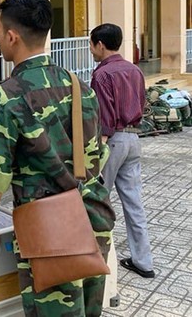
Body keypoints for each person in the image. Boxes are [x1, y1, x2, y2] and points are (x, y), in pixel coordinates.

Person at [0, 0, 115, 316]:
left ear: (11, 36)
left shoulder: (5, 98)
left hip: (51, 234)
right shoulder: (80, 86)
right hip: (93, 219)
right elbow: (96, 156)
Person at [90, 23, 155, 278]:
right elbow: (142, 104)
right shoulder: (135, 70)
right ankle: (144, 262)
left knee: (97, 201)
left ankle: (93, 261)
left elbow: (104, 118)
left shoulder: (102, 75)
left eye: (91, 45)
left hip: (112, 141)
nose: (91, 50)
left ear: (100, 44)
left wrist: (97, 154)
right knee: (134, 202)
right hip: (133, 139)